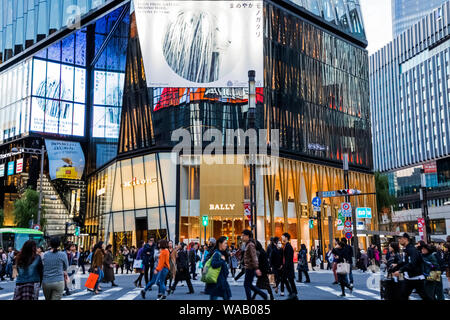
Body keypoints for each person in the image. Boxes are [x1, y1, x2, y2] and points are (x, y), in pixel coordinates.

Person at [393, 233, 430, 300]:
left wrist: (400, 270)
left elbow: (413, 263)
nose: (399, 240)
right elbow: (405, 261)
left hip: (416, 278)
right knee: (403, 296)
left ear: (406, 239)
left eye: (400, 238)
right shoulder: (406, 249)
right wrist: (397, 265)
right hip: (409, 278)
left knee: (424, 296)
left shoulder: (411, 249)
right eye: (398, 238)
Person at [241, 230, 268, 300]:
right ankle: (263, 295)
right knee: (248, 284)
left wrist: (256, 268)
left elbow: (254, 256)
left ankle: (258, 296)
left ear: (247, 236)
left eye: (243, 235)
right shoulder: (248, 244)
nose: (242, 237)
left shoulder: (250, 244)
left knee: (246, 284)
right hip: (249, 267)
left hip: (250, 267)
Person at [205, 236, 232, 300]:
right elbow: (214, 264)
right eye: (225, 243)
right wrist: (222, 260)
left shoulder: (222, 252)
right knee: (222, 296)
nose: (226, 245)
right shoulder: (217, 253)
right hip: (218, 280)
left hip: (221, 280)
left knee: (223, 296)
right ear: (220, 244)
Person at [280, 233, 298, 299]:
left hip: (288, 266)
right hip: (287, 266)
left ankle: (293, 292)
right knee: (288, 279)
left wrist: (285, 266)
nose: (282, 237)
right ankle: (293, 292)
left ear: (286, 238)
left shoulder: (288, 246)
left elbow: (288, 258)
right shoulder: (286, 245)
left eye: (283, 236)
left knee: (288, 279)